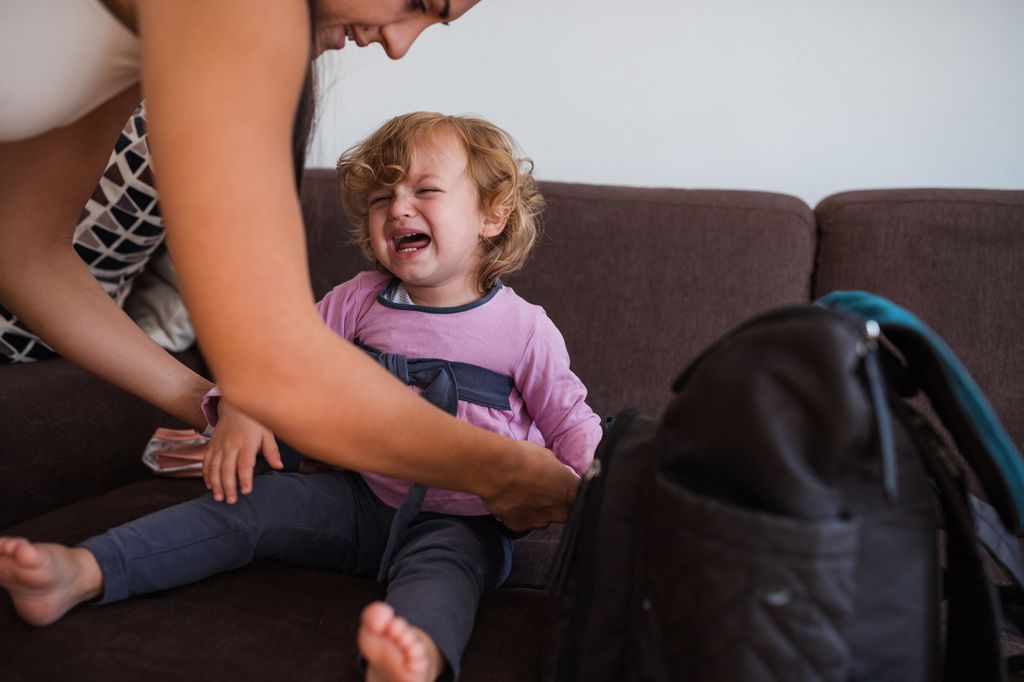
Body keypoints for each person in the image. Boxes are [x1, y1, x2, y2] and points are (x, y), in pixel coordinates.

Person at [0, 112, 604, 682]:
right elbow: (276, 364)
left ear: (492, 215)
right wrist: (240, 406)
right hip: (359, 498)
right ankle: (86, 570)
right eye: (380, 198)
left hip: (463, 521)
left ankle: (412, 658)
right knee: (247, 509)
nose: (398, 209)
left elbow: (571, 421)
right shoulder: (359, 300)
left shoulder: (524, 329)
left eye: (425, 191)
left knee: (442, 578)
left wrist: (598, 496)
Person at [0, 0, 579, 530]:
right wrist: (505, 471)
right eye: (421, 1)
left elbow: (24, 253)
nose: (400, 45)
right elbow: (275, 362)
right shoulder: (248, 10)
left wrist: (209, 402)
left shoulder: (524, 328)